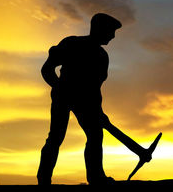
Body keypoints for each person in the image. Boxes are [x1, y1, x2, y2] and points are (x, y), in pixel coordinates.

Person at [37, 13, 121, 185]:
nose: (113, 36)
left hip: (86, 102)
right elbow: (47, 69)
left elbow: (94, 88)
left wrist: (99, 113)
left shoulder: (102, 57)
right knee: (56, 137)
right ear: (99, 29)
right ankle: (44, 179)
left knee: (96, 135)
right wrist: (59, 87)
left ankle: (96, 178)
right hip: (63, 98)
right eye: (111, 31)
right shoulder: (72, 44)